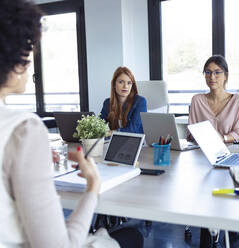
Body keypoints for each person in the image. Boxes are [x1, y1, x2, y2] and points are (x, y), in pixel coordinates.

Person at [0, 1, 143, 247]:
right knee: (133, 236)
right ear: (11, 58)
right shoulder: (22, 130)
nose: (30, 63)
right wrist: (93, 187)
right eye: (26, 54)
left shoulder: (139, 101)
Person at [188, 55, 239, 143]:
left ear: (225, 76)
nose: (212, 77)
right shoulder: (197, 100)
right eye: (208, 72)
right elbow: (191, 133)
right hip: (203, 151)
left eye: (217, 72)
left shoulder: (238, 101)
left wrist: (223, 138)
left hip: (231, 150)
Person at [100, 67, 147, 134]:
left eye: (129, 83)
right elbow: (99, 124)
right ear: (114, 84)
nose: (125, 86)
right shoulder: (107, 103)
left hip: (134, 141)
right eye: (121, 82)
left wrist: (111, 133)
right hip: (115, 141)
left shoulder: (140, 102)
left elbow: (132, 129)